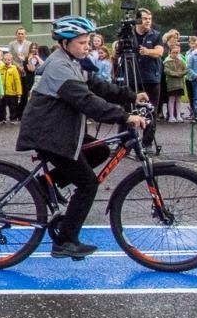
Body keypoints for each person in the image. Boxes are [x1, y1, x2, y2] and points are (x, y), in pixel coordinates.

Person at [15, 16, 149, 260]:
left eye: (88, 42)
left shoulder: (73, 62)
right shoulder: (59, 68)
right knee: (88, 184)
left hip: (61, 129)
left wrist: (131, 96)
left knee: (99, 151)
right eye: (81, 42)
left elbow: (98, 86)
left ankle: (49, 182)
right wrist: (125, 116)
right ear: (65, 44)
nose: (87, 47)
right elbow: (86, 101)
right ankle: (65, 241)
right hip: (49, 133)